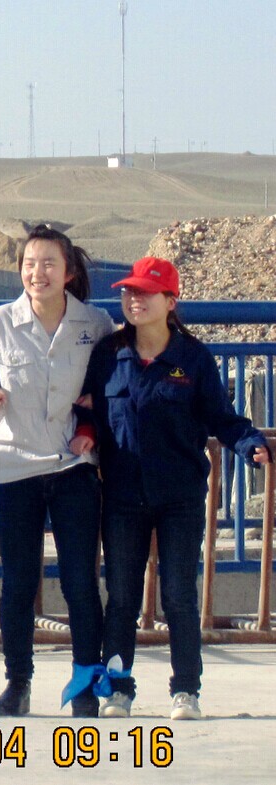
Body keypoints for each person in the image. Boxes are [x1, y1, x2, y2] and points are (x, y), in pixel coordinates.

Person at [81, 256, 268, 721]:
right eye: (129, 292)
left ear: (170, 301)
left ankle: (186, 690)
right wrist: (83, 432)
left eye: (145, 293)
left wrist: (250, 444)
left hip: (179, 497)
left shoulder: (193, 358)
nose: (134, 300)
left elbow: (221, 417)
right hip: (122, 496)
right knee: (121, 597)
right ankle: (118, 690)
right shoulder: (107, 355)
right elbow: (86, 410)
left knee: (179, 596)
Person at [0, 225, 114, 717]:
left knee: (80, 580)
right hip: (15, 465)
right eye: (29, 264)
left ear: (68, 272)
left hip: (73, 465)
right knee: (19, 581)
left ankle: (85, 681)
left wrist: (91, 424)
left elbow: (112, 384)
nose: (37, 272)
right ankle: (18, 680)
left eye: (48, 263)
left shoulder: (96, 324)